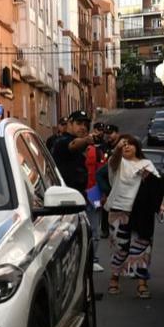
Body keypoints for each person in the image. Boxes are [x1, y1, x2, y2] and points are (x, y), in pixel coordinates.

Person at [105, 135, 164, 299]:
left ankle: (141, 284)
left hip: (142, 212)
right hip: (119, 210)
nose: (127, 146)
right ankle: (114, 278)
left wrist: (159, 204)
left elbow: (155, 187)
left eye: (130, 143)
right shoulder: (117, 162)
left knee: (142, 248)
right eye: (124, 144)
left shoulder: (147, 164)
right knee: (120, 247)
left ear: (137, 147)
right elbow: (114, 160)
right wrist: (117, 149)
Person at [51, 111, 101, 264]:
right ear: (69, 124)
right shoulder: (63, 142)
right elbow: (72, 146)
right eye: (79, 123)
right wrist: (87, 140)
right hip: (67, 202)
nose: (83, 127)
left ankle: (92, 260)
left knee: (93, 230)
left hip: (89, 193)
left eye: (85, 124)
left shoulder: (87, 146)